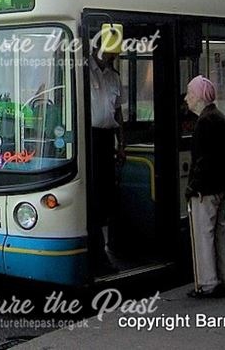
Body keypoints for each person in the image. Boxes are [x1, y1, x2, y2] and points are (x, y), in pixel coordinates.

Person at [184, 75, 225, 299]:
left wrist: (193, 187)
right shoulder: (220, 118)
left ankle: (207, 283)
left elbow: (202, 160)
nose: (186, 98)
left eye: (189, 93)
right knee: (219, 232)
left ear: (197, 97)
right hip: (224, 185)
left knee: (203, 236)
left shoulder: (203, 122)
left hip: (206, 189)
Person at [89, 32, 125, 273]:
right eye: (109, 52)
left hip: (106, 140)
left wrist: (121, 145)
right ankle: (97, 252)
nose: (112, 57)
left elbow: (118, 113)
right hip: (88, 139)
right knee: (92, 197)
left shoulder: (114, 77)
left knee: (106, 197)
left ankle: (106, 248)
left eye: (115, 53)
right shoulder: (83, 71)